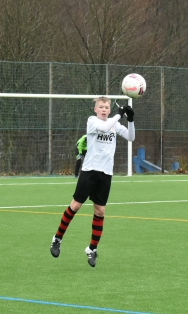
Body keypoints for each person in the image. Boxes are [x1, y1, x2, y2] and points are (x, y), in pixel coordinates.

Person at [51, 97, 135, 267]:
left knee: (100, 211)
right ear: (96, 109)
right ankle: (57, 238)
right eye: (101, 107)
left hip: (106, 173)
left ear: (109, 110)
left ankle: (92, 249)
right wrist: (119, 114)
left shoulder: (114, 124)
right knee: (75, 206)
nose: (104, 109)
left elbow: (131, 137)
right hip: (89, 171)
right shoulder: (92, 121)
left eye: (106, 107)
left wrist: (131, 120)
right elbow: (104, 127)